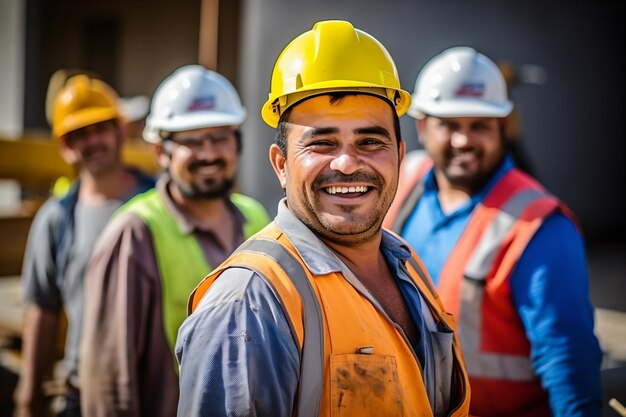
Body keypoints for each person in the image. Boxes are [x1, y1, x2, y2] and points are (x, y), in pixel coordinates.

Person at [176, 21, 471, 417]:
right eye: (321, 143)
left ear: (399, 156)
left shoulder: (406, 263)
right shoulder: (249, 305)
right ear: (281, 165)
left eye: (370, 142)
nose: (348, 164)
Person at [384, 46, 602, 417]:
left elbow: (568, 364)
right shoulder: (404, 180)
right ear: (422, 126)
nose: (463, 140)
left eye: (479, 126)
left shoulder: (540, 226)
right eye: (449, 125)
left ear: (503, 128)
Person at [79, 65, 270, 417]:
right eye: (192, 141)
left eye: (221, 137)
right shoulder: (134, 234)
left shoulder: (257, 219)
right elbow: (111, 383)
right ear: (161, 152)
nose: (209, 153)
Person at [14, 75, 155, 417]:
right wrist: (28, 397)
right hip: (84, 392)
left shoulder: (160, 202)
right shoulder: (57, 219)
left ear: (120, 131)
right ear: (65, 146)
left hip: (159, 388)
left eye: (100, 129)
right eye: (79, 134)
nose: (92, 141)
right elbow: (42, 310)